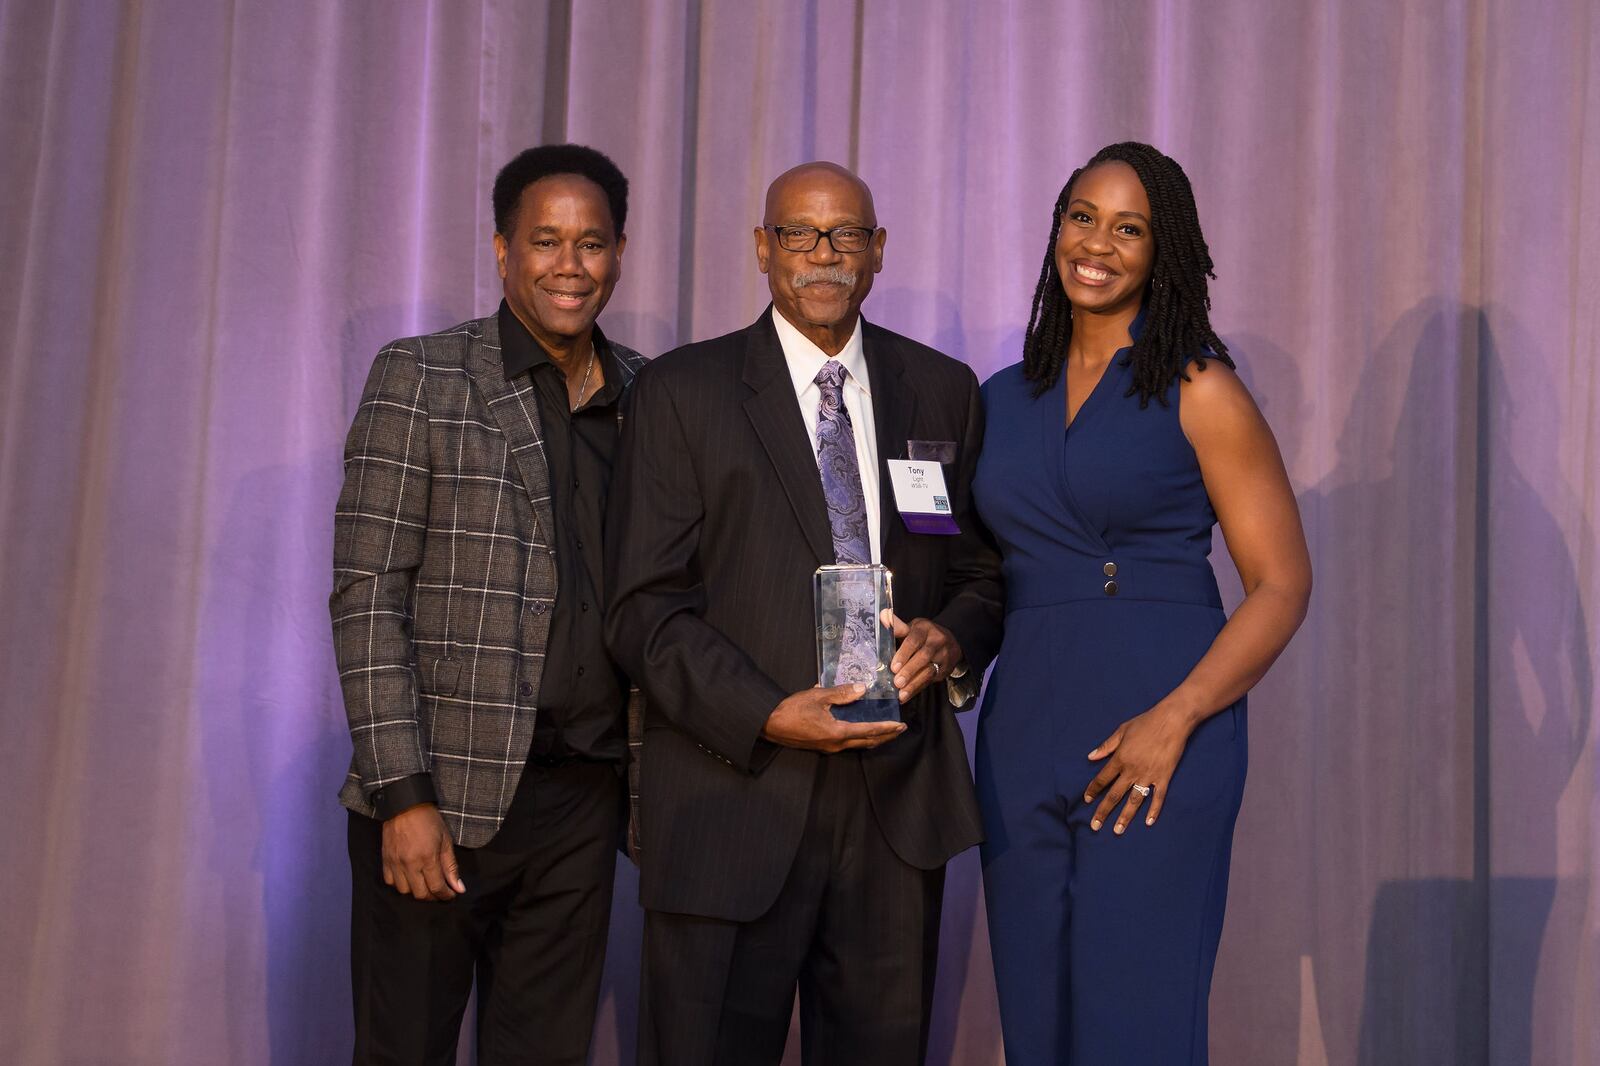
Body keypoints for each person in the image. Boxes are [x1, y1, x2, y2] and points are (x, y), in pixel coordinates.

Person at [604, 161, 1004, 1066]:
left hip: (897, 812)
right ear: (761, 248)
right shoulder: (681, 393)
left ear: (877, 251)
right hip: (730, 797)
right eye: (799, 234)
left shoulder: (943, 389)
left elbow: (983, 572)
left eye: (846, 235)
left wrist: (949, 640)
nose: (823, 256)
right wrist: (765, 713)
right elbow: (643, 609)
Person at [972, 141, 1313, 1064]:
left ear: (1166, 253)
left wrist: (1178, 718)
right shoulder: (1001, 398)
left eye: (1131, 228)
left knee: (1135, 1026)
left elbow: (1283, 585)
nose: (1099, 244)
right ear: (1055, 230)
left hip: (1161, 727)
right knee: (1035, 1027)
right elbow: (977, 575)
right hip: (1020, 734)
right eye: (1083, 217)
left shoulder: (1199, 387)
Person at [330, 143, 644, 1065]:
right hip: (441, 796)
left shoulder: (648, 392)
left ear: (619, 252)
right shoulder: (421, 378)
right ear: (502, 249)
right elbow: (366, 596)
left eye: (590, 243)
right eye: (544, 241)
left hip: (585, 800)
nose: (569, 265)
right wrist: (402, 796)